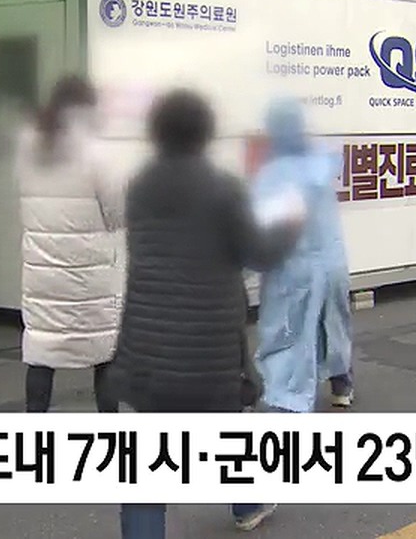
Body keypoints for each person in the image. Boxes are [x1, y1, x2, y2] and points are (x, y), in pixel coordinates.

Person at [112, 89, 301, 537]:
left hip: (147, 351)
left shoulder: (139, 187)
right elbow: (259, 253)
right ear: (205, 132)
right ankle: (248, 504)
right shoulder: (222, 188)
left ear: (157, 132)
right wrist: (289, 224)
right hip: (208, 354)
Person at [15, 76, 124, 413]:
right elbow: (117, 213)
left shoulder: (28, 144)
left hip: (43, 270)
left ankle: (35, 419)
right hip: (91, 277)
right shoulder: (97, 151)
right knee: (104, 354)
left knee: (41, 351)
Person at [251, 97, 354, 413]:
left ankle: (288, 396)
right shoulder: (320, 161)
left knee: (291, 333)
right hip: (331, 262)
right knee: (332, 326)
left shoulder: (275, 172)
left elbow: (264, 223)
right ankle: (342, 384)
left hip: (294, 267)